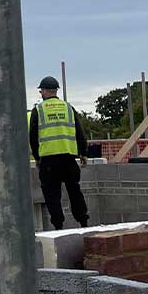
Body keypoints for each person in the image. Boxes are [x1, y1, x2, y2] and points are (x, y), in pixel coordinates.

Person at [28, 76, 89, 230]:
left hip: (48, 160)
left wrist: (37, 157)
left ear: (44, 91)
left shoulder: (38, 110)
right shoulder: (68, 108)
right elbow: (79, 132)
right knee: (74, 191)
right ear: (56, 91)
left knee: (52, 195)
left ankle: (58, 226)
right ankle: (83, 221)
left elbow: (33, 137)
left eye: (41, 91)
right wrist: (83, 153)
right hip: (69, 158)